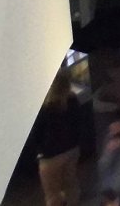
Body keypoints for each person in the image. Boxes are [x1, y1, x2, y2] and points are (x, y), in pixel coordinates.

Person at [35, 77, 84, 206]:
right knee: (71, 184)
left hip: (50, 157)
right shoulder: (72, 100)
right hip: (72, 150)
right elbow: (79, 123)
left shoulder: (44, 107)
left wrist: (38, 152)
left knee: (52, 193)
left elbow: (36, 134)